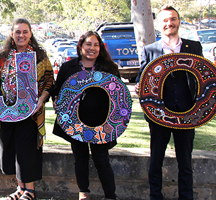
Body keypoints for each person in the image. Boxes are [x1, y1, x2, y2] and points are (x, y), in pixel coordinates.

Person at [135, 5, 202, 200]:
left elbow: (202, 77)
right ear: (158, 24)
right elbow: (142, 78)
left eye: (172, 19)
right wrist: (140, 86)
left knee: (185, 163)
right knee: (156, 161)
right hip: (158, 115)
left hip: (187, 113)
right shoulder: (150, 50)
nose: (169, 23)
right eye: (164, 20)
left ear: (179, 21)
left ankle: (186, 197)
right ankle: (155, 196)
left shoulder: (193, 47)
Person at [0, 18, 54, 200]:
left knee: (26, 149)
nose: (21, 35)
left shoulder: (40, 57)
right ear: (12, 34)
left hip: (30, 113)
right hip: (6, 111)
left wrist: (41, 99)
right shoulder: (3, 56)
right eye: (17, 32)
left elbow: (49, 81)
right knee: (11, 148)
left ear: (30, 33)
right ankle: (20, 189)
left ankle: (30, 191)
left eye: (25, 32)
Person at [51, 31, 120, 200]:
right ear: (80, 46)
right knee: (80, 158)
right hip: (76, 121)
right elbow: (58, 90)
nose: (92, 48)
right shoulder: (69, 67)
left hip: (102, 122)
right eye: (88, 44)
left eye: (96, 45)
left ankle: (110, 196)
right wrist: (57, 103)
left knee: (102, 159)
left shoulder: (109, 67)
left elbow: (119, 95)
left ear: (100, 47)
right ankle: (83, 193)